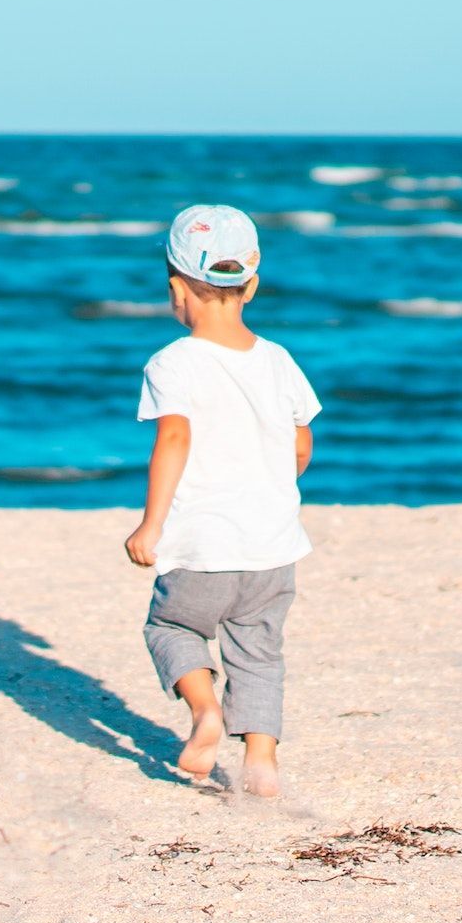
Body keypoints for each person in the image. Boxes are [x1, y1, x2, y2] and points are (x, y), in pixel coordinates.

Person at [124, 205, 320, 795]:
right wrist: (275, 486)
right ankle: (261, 761)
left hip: (204, 545)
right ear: (251, 286)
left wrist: (150, 524)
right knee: (258, 649)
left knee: (172, 627)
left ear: (175, 289)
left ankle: (206, 712)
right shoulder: (279, 360)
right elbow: (301, 444)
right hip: (272, 545)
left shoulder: (172, 362)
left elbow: (175, 438)